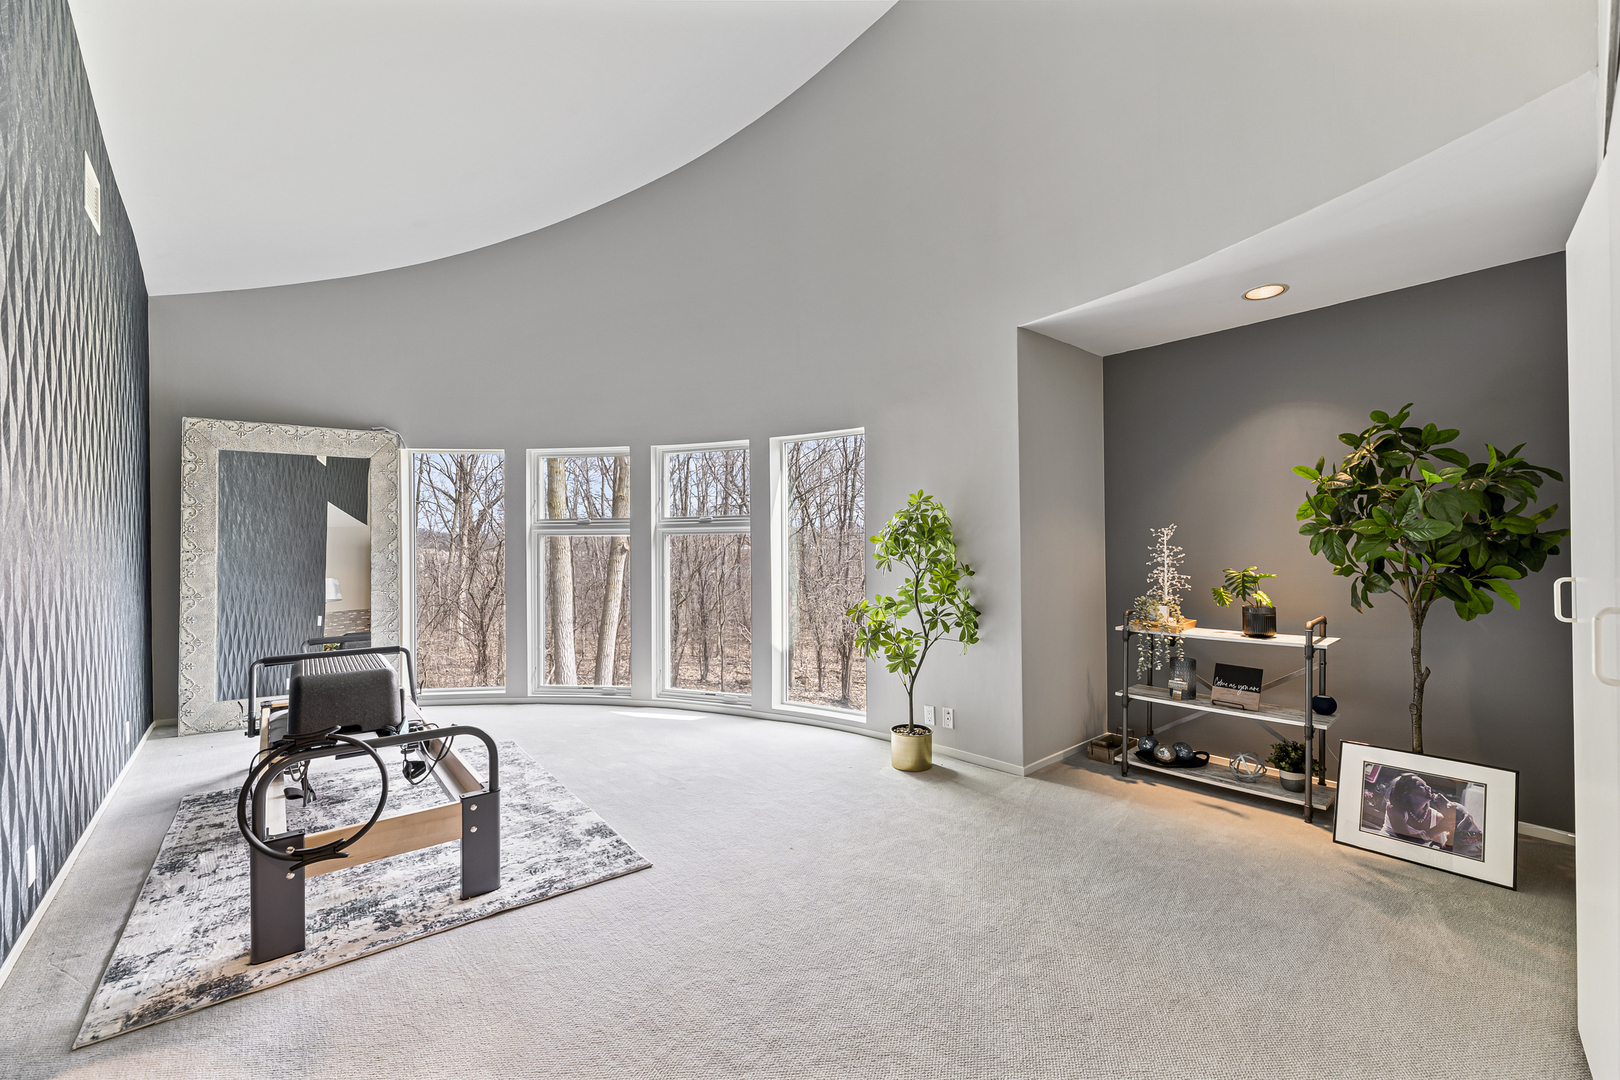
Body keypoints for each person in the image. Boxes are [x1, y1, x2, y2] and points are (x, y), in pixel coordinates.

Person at [1381, 772, 1484, 860]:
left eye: (1426, 784)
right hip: (1388, 843)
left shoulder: (1437, 817)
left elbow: (1446, 845)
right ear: (1407, 793)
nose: (1428, 787)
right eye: (1421, 786)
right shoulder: (1393, 808)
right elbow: (1405, 841)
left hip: (1417, 852)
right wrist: (1439, 828)